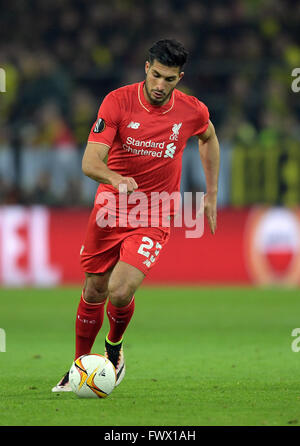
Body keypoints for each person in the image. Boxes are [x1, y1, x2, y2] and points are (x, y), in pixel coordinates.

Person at [52, 39, 220, 392]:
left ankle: (113, 348)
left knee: (120, 289)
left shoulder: (192, 111)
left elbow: (208, 137)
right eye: (156, 75)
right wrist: (115, 179)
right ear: (146, 68)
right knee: (94, 289)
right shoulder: (118, 102)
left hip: (155, 211)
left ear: (180, 78)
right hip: (110, 208)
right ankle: (78, 365)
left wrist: (211, 192)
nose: (160, 86)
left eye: (170, 79)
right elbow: (89, 162)